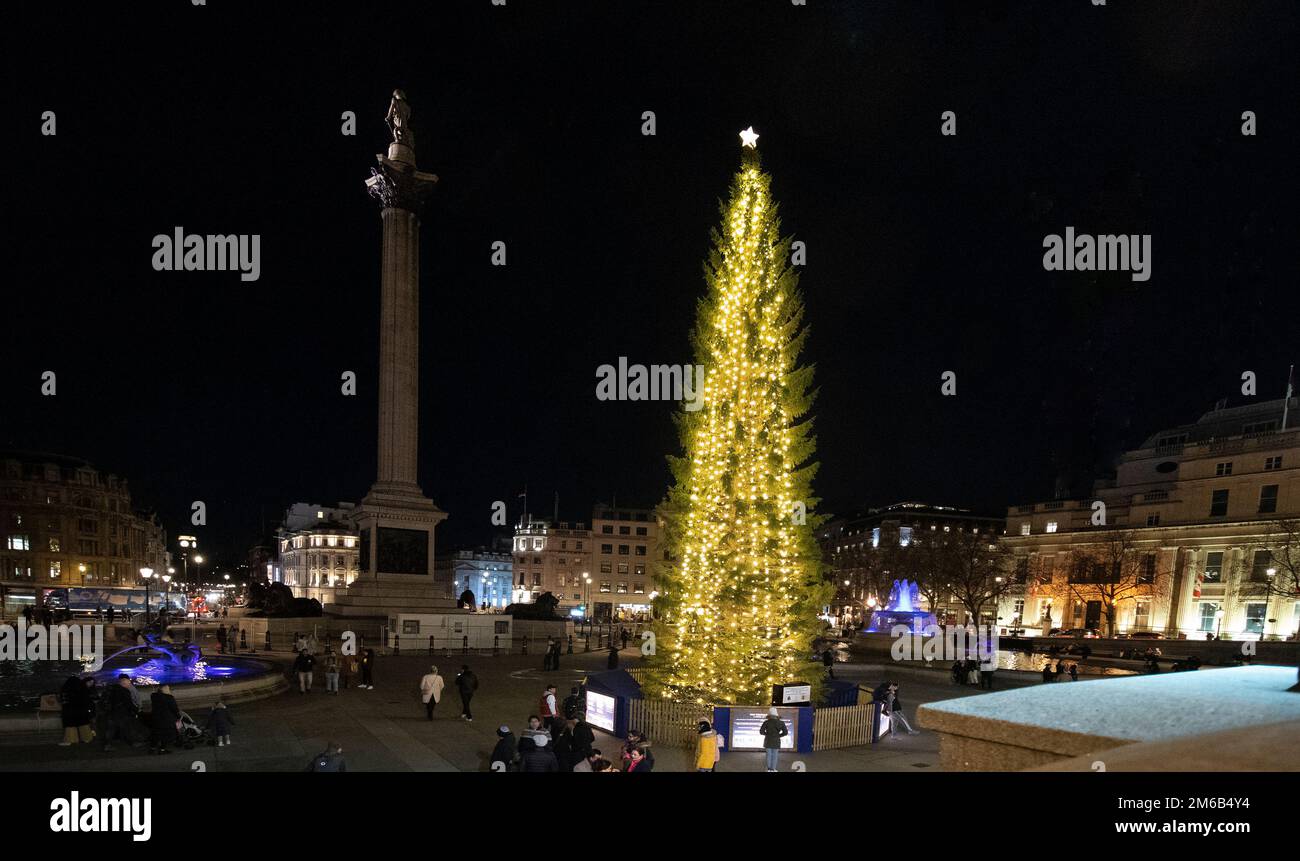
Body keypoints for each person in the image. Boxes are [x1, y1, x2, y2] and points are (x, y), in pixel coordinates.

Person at [102, 674, 141, 751]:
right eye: (128, 684)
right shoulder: (124, 691)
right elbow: (128, 703)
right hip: (122, 714)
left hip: (110, 713)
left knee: (110, 730)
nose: (129, 686)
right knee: (128, 728)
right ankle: (132, 742)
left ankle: (107, 745)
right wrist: (136, 710)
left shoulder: (111, 688)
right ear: (124, 683)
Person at [58, 676, 95, 747]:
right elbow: (87, 701)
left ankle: (71, 740)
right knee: (84, 725)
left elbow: (64, 701)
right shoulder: (83, 689)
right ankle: (87, 738)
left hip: (69, 712)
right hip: (82, 711)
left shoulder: (66, 689)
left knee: (70, 727)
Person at [149, 685, 182, 754]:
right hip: (167, 719)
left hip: (156, 718)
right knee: (166, 735)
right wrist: (178, 717)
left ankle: (152, 748)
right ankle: (162, 749)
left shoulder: (154, 697)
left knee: (156, 733)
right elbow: (174, 709)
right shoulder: (169, 698)